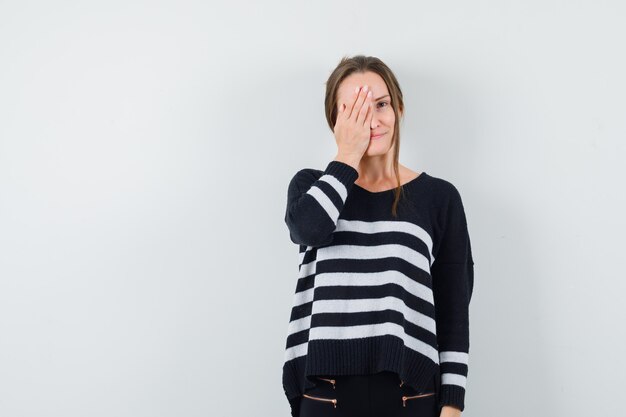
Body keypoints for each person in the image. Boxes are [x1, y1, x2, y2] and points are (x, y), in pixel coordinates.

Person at [281, 55, 474, 417]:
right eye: (353, 109)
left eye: (380, 104)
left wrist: (452, 405)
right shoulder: (312, 186)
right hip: (325, 397)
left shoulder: (438, 198)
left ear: (398, 107)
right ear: (336, 121)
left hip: (410, 396)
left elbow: (453, 310)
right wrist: (347, 155)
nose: (371, 119)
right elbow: (308, 229)